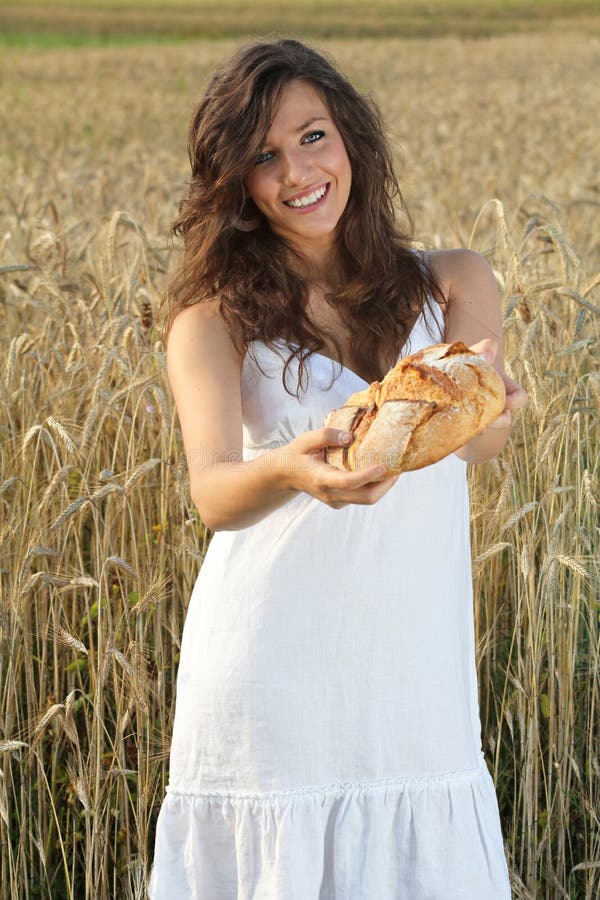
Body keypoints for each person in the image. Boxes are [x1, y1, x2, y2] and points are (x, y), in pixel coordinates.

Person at [148, 38, 528, 900]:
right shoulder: (212, 322)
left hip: (412, 672)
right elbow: (211, 490)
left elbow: (478, 443)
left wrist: (491, 407)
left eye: (313, 136)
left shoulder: (456, 283)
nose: (297, 172)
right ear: (234, 183)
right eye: (264, 156)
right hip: (273, 674)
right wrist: (289, 470)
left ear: (351, 135)